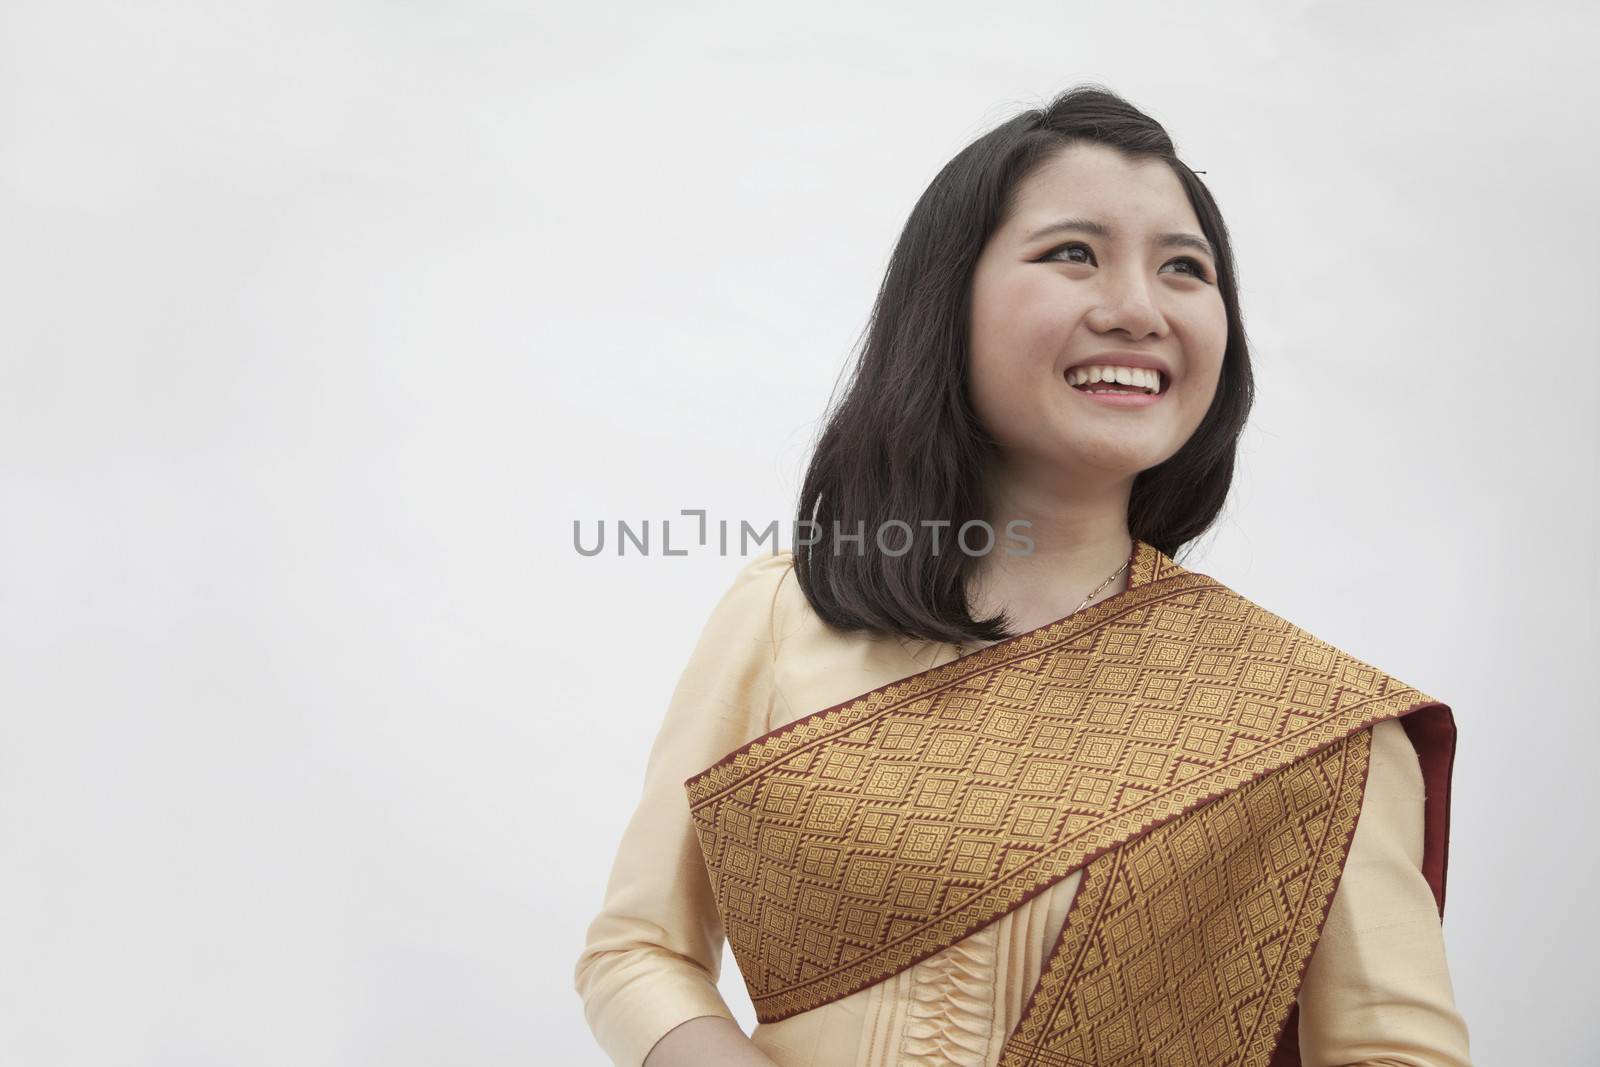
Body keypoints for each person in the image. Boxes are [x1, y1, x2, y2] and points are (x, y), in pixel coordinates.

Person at [573, 85, 1472, 1067]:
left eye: (1185, 268)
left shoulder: (1315, 726)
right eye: (1072, 253)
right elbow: (637, 951)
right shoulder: (788, 613)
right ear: (945, 298)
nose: (1137, 308)